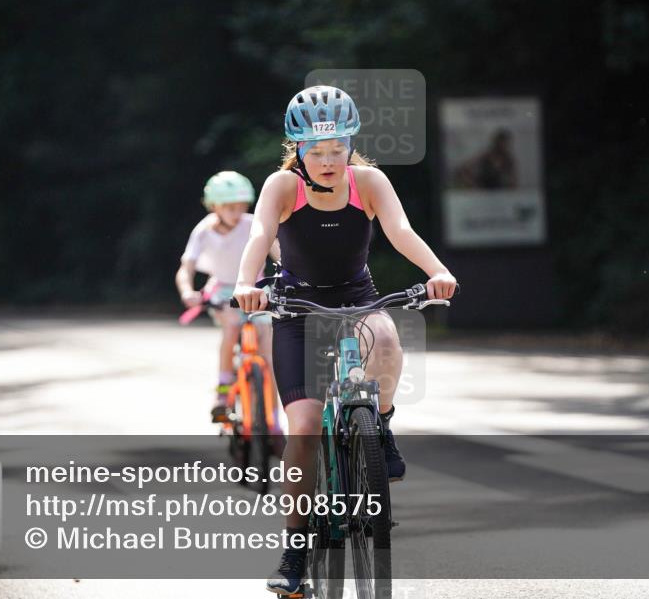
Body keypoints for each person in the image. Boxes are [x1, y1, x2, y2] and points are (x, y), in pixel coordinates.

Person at [232, 85, 458, 595]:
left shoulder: (370, 181)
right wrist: (247, 285)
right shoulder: (281, 186)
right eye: (317, 151)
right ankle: (294, 551)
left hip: (357, 295)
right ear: (299, 150)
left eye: (338, 149)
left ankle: (381, 424)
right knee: (307, 426)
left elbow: (401, 231)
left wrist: (437, 271)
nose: (329, 160)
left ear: (350, 145)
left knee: (388, 341)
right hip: (295, 305)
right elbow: (260, 236)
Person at [176, 171, 281, 424]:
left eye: (241, 206)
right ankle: (223, 392)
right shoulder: (203, 231)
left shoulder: (253, 223)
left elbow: (279, 254)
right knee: (232, 325)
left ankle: (274, 421)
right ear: (214, 206)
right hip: (222, 291)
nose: (237, 212)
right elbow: (186, 267)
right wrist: (188, 292)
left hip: (257, 288)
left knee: (268, 350)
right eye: (229, 207)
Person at [452, 128, 519, 189]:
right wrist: (472, 184)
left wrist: (511, 190)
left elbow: (513, 178)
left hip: (499, 191)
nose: (504, 145)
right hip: (484, 190)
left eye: (506, 143)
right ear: (496, 142)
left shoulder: (508, 159)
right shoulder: (486, 155)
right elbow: (464, 167)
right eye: (502, 143)